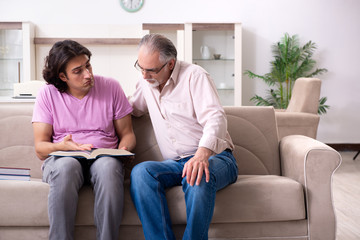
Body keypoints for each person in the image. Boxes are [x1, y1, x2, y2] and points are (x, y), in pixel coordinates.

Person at [129, 34, 238, 240]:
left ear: (170, 64)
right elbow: (131, 109)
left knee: (197, 175)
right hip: (176, 163)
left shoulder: (195, 76)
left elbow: (215, 118)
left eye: (150, 70)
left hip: (216, 158)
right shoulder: (146, 82)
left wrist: (202, 154)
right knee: (141, 173)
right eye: (140, 67)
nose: (144, 75)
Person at [32, 40, 136, 240]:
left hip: (104, 156)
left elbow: (128, 134)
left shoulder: (111, 87)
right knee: (66, 168)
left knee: (107, 167)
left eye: (88, 65)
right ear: (63, 76)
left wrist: (124, 149)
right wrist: (62, 146)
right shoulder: (47, 94)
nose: (88, 74)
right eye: (78, 71)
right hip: (64, 157)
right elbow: (40, 148)